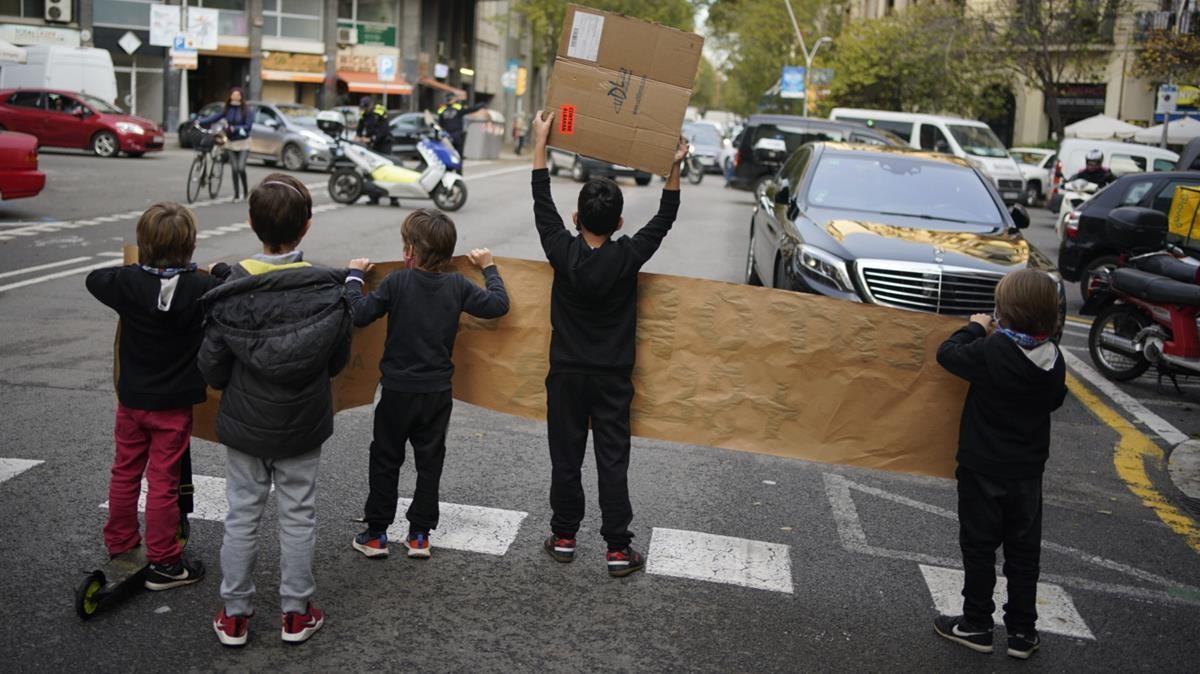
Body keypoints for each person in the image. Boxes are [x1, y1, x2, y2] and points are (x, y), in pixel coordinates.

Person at [198, 174, 356, 648]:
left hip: (246, 427)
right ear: (306, 228)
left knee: (242, 515)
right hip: (303, 424)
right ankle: (295, 611)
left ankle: (235, 614)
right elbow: (337, 363)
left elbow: (212, 369)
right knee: (298, 515)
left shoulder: (229, 295)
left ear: (251, 222)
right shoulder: (330, 294)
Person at [529, 110, 688, 577]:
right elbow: (666, 215)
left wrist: (542, 141)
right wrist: (674, 163)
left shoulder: (561, 250)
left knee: (566, 458)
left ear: (576, 218)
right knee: (612, 462)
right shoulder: (628, 256)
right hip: (614, 378)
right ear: (619, 222)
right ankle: (618, 549)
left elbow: (541, 199)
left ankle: (563, 536)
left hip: (566, 375)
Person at [346, 210, 509, 559]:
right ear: (449, 254)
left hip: (396, 391)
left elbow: (359, 313)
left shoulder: (396, 283)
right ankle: (419, 535)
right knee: (429, 462)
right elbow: (498, 304)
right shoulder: (458, 285)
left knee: (386, 459)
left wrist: (354, 277)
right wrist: (489, 267)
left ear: (409, 249)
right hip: (436, 393)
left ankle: (376, 534)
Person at [85, 202, 227, 591]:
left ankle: (121, 543)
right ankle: (165, 559)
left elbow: (95, 278)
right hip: (174, 405)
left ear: (143, 244)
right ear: (191, 245)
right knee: (163, 479)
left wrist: (138, 268)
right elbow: (230, 289)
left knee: (125, 471)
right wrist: (219, 271)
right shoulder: (201, 289)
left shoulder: (127, 284)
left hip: (131, 400)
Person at [933, 269, 1067, 661]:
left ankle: (976, 623)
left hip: (981, 469)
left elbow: (947, 355)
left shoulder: (992, 351)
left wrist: (974, 328)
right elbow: (1055, 400)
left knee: (979, 547)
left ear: (1003, 313)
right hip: (1027, 474)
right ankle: (1023, 632)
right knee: (1023, 553)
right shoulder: (1052, 359)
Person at [198, 87, 255, 201]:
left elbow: (248, 127)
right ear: (230, 96)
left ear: (241, 97)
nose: (235, 96)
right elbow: (213, 118)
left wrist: (235, 128)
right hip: (230, 143)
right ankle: (236, 194)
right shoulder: (227, 109)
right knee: (234, 169)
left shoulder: (247, 111)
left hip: (243, 143)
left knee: (241, 168)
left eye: (237, 95)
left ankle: (245, 190)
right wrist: (199, 121)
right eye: (233, 94)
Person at [436, 93, 486, 171]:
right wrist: (481, 104)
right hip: (457, 135)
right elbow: (470, 109)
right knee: (458, 155)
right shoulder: (458, 108)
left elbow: (439, 125)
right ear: (453, 99)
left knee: (448, 154)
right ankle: (458, 172)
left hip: (446, 137)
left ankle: (448, 171)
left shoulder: (441, 110)